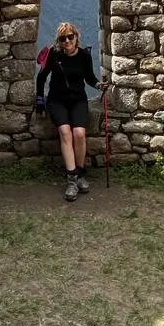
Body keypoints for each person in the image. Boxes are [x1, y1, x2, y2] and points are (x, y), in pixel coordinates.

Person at [35, 21, 107, 202]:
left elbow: (89, 77)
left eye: (70, 37)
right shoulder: (53, 54)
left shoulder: (84, 56)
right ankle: (72, 179)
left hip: (78, 100)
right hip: (57, 101)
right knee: (65, 132)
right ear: (59, 41)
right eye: (63, 38)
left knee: (80, 133)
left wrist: (98, 85)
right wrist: (40, 101)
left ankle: (80, 172)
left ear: (76, 37)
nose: (67, 41)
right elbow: (41, 77)